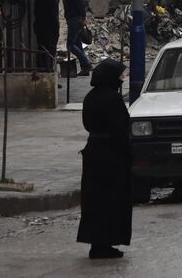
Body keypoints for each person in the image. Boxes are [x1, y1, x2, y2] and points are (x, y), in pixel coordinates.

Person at [76, 59, 131, 260]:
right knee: (111, 200)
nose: (122, 79)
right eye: (120, 75)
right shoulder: (113, 99)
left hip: (93, 153)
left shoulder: (90, 97)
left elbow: (87, 124)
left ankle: (97, 244)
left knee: (95, 200)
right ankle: (106, 243)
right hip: (111, 155)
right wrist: (127, 153)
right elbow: (119, 130)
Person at [60, 0, 90, 75]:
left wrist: (83, 17)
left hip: (75, 20)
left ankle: (86, 64)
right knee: (77, 44)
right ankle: (85, 69)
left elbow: (80, 4)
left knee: (70, 45)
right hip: (71, 20)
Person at [32, 0, 61, 69]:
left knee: (41, 49)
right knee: (49, 50)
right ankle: (48, 73)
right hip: (49, 27)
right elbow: (53, 14)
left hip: (39, 25)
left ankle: (41, 71)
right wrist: (56, 28)